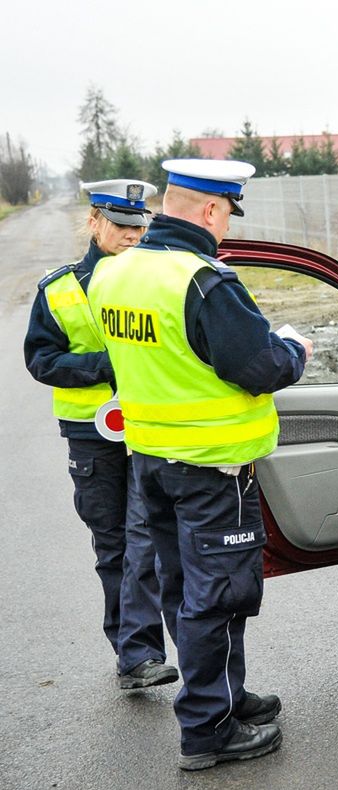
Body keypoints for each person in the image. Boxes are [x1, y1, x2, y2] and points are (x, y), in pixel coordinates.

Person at [87, 159, 314, 770]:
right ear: (213, 210)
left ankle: (226, 697)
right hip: (212, 469)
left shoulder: (115, 273)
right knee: (218, 597)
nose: (225, 228)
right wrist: (297, 349)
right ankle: (207, 729)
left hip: (152, 461)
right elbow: (262, 367)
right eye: (227, 214)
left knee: (187, 590)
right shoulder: (203, 282)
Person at [24, 179, 179, 690]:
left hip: (148, 426)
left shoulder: (158, 279)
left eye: (140, 226)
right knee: (113, 544)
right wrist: (102, 366)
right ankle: (130, 650)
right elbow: (41, 359)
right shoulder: (60, 288)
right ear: (95, 223)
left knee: (145, 540)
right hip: (92, 437)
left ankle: (139, 655)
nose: (133, 235)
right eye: (121, 225)